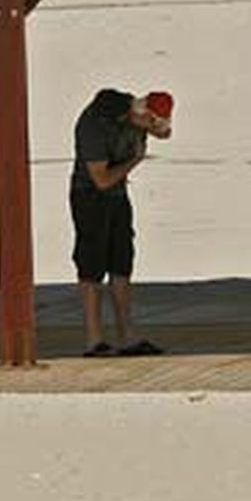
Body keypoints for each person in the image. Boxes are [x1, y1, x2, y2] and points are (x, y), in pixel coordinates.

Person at [71, 88, 175, 357]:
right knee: (91, 265)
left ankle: (127, 336)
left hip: (117, 195)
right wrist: (135, 160)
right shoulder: (95, 125)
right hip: (89, 196)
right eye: (152, 122)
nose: (154, 129)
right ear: (139, 114)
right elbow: (101, 179)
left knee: (121, 262)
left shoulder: (137, 117)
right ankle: (94, 340)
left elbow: (164, 132)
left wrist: (158, 128)